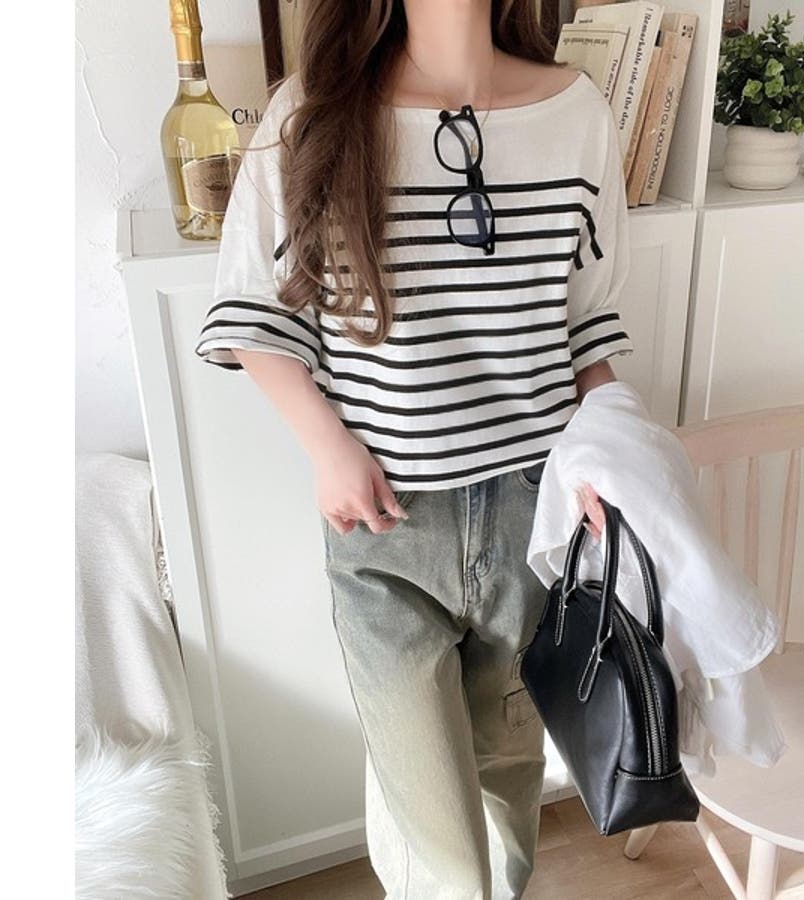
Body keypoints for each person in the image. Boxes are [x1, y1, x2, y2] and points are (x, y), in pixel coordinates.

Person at [194, 2, 634, 896]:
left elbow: (589, 327)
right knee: (433, 828)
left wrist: (611, 458)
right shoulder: (311, 110)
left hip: (536, 522)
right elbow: (253, 312)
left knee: (509, 784)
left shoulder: (577, 112)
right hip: (386, 527)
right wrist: (326, 445)